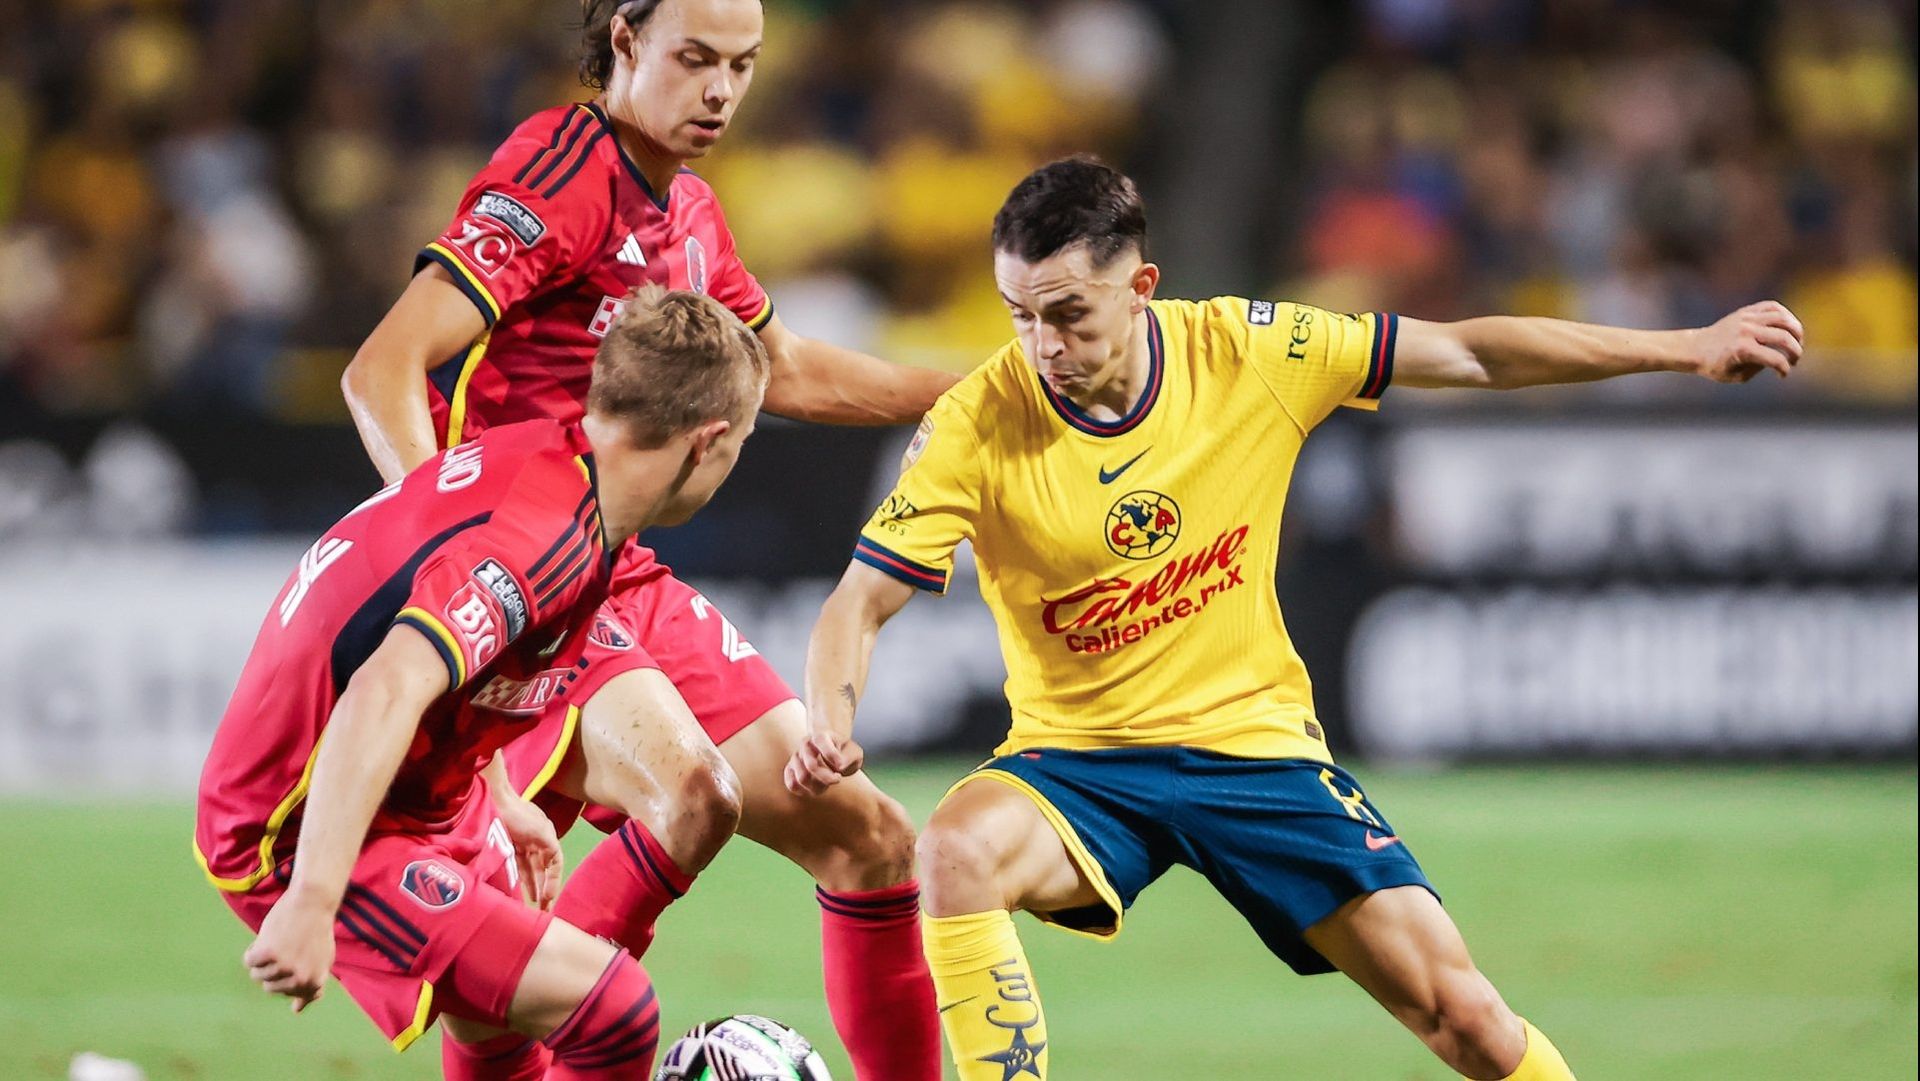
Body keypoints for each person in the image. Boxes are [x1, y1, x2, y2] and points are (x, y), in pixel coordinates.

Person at [793, 157, 1806, 1081]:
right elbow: (860, 599)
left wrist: (1685, 346)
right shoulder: (977, 420)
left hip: (1255, 749)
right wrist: (831, 721)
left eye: (1068, 314)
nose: (1041, 346)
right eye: (1019, 314)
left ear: (1143, 287)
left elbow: (1469, 355)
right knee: (955, 850)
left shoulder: (1248, 348)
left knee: (1465, 1018)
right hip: (1079, 762)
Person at [339, 1, 954, 1076]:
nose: (721, 90)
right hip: (525, 583)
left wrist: (980, 396)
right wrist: (449, 560)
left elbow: (789, 368)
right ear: (625, 42)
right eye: (696, 59)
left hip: (623, 579)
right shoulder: (561, 170)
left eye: (744, 66)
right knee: (691, 796)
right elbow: (381, 369)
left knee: (870, 841)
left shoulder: (691, 211)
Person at [196, 288, 769, 1078]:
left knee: (501, 1030)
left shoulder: (563, 471)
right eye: (741, 445)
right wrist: (314, 899)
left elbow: (472, 668)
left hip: (421, 788)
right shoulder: (543, 540)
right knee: (615, 1010)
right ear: (706, 444)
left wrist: (498, 794)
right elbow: (385, 687)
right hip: (299, 828)